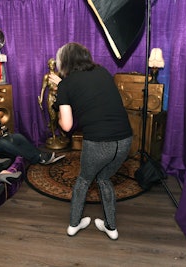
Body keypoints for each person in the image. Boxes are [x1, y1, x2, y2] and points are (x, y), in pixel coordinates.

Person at [50, 42, 133, 240]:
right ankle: (111, 228)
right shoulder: (103, 72)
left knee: (84, 180)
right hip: (125, 140)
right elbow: (91, 94)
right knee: (104, 178)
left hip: (98, 142)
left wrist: (59, 95)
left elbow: (67, 126)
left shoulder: (66, 85)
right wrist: (63, 86)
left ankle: (73, 224)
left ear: (65, 62)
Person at [38, 58, 68, 145]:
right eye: (51, 64)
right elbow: (43, 88)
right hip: (50, 97)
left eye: (54, 64)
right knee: (52, 117)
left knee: (60, 116)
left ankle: (62, 133)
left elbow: (63, 85)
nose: (52, 66)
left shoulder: (59, 74)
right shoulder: (46, 76)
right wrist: (41, 99)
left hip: (59, 96)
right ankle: (54, 135)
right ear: (48, 65)